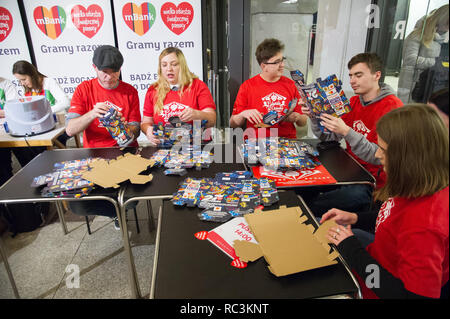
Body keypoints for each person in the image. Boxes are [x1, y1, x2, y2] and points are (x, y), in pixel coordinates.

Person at [322, 104, 449, 299]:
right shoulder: (415, 183)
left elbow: (405, 295)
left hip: (377, 283)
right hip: (378, 257)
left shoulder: (424, 227)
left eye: (383, 149)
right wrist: (356, 217)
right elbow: (391, 216)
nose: (377, 155)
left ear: (408, 158)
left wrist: (352, 250)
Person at [302, 53, 403, 217]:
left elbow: (380, 156)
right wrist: (314, 116)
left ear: (377, 75)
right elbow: (329, 137)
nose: (352, 81)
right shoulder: (355, 102)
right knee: (305, 186)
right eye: (350, 75)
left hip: (372, 183)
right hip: (347, 171)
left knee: (313, 206)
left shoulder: (393, 108)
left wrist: (347, 132)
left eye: (358, 75)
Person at [66, 45, 141, 228]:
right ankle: (115, 211)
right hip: (93, 155)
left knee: (132, 197)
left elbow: (136, 130)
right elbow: (70, 130)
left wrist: (125, 129)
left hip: (125, 154)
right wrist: (92, 114)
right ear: (94, 68)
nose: (110, 77)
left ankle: (119, 208)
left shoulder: (129, 91)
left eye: (114, 72)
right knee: (76, 204)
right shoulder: (84, 89)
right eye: (104, 72)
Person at [229, 38, 307, 139]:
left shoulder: (291, 85)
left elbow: (303, 122)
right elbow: (233, 124)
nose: (282, 65)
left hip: (287, 142)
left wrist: (298, 117)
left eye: (282, 60)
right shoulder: (247, 86)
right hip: (257, 142)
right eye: (277, 62)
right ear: (263, 66)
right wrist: (243, 113)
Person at [141, 47, 216, 145]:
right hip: (165, 147)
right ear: (160, 68)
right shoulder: (153, 90)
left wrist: (197, 114)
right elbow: (146, 122)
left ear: (182, 66)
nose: (169, 69)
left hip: (197, 146)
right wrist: (148, 130)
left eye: (174, 64)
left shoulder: (197, 85)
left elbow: (212, 119)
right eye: (164, 65)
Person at [397, 4, 449, 104]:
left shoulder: (444, 39)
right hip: (414, 85)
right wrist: (437, 63)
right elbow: (410, 59)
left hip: (434, 85)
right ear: (442, 19)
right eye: (448, 23)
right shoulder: (417, 35)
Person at [12, 60, 71, 146]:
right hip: (39, 127)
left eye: (24, 79)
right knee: (22, 146)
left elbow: (66, 102)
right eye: (19, 81)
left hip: (58, 124)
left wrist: (44, 112)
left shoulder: (49, 82)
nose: (22, 83)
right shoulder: (27, 89)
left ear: (32, 74)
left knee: (37, 146)